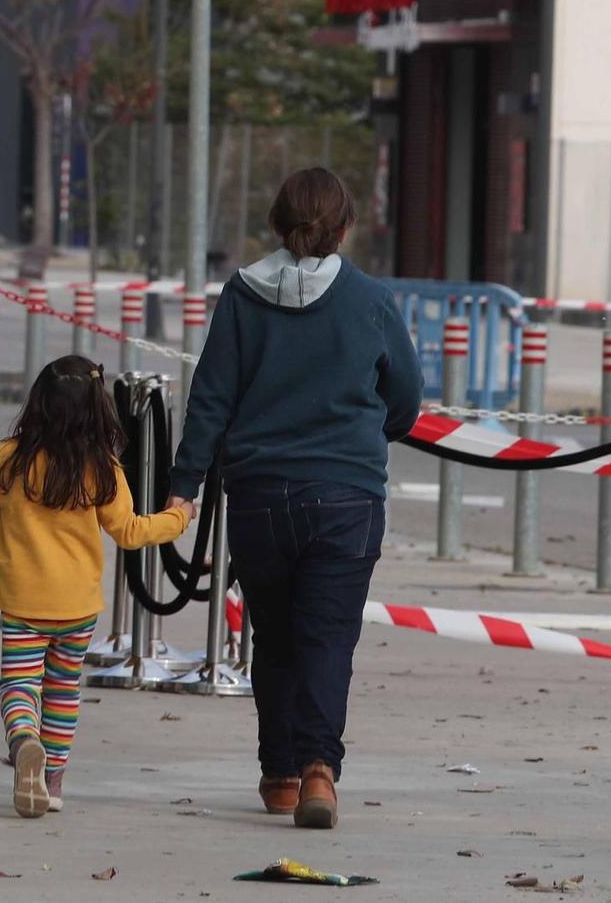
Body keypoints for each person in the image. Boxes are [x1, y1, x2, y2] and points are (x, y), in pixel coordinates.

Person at [167, 168, 420, 830]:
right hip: (347, 497)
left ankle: (278, 774)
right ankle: (318, 771)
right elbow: (407, 401)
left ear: (278, 223)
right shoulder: (370, 299)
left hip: (260, 496)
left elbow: (211, 400)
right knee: (328, 640)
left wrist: (183, 487)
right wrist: (372, 429)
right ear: (344, 228)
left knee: (275, 637)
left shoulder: (242, 295)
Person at [0, 354, 193, 819]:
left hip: (23, 603)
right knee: (62, 690)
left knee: (19, 685)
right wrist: (180, 517)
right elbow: (132, 532)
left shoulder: (8, 461)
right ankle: (53, 780)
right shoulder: (104, 471)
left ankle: (24, 744)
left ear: (37, 404)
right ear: (99, 409)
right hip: (78, 607)